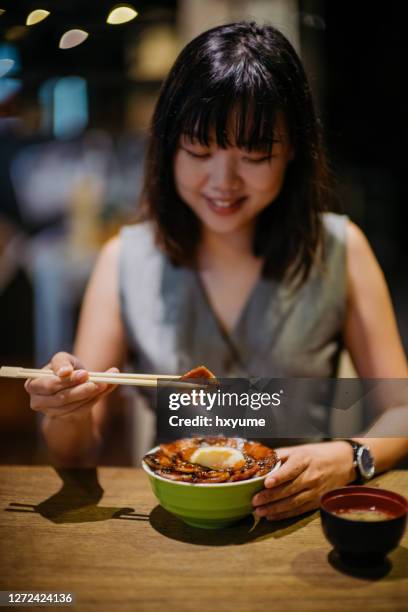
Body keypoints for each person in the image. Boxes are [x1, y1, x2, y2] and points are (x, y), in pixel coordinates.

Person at [25, 22, 408, 521]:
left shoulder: (339, 249)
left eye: (254, 155)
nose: (223, 182)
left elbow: (400, 408)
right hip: (176, 523)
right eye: (199, 152)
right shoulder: (126, 259)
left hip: (300, 528)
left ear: (293, 149)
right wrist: (66, 412)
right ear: (168, 147)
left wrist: (348, 457)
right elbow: (76, 453)